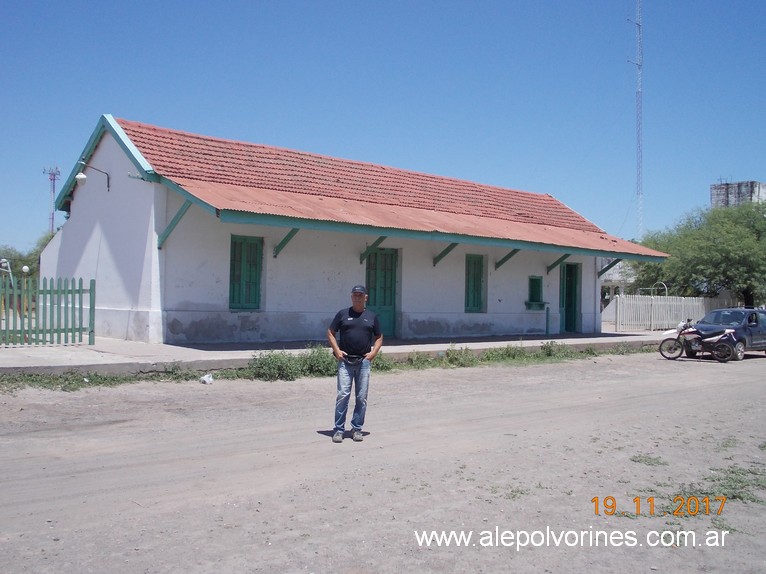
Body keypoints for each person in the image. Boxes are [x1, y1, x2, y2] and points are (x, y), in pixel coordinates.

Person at [327, 284, 383, 443]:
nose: (357, 297)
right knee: (343, 395)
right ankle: (338, 430)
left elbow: (379, 337)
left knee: (361, 397)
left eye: (360, 295)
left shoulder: (372, 317)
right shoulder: (342, 314)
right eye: (354, 295)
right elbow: (330, 332)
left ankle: (357, 428)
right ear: (351, 297)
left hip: (363, 362)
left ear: (366, 298)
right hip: (345, 361)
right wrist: (337, 351)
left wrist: (373, 353)